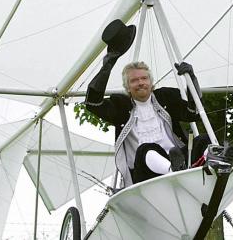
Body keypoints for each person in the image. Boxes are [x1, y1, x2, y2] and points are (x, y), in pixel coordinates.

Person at [85, 19, 210, 187]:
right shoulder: (122, 106)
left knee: (204, 139)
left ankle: (224, 165)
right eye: (134, 80)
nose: (140, 83)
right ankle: (173, 170)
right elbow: (92, 103)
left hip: (180, 157)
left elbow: (193, 113)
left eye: (144, 78)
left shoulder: (164, 96)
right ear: (128, 87)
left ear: (151, 82)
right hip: (144, 172)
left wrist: (192, 80)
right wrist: (108, 64)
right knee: (146, 149)